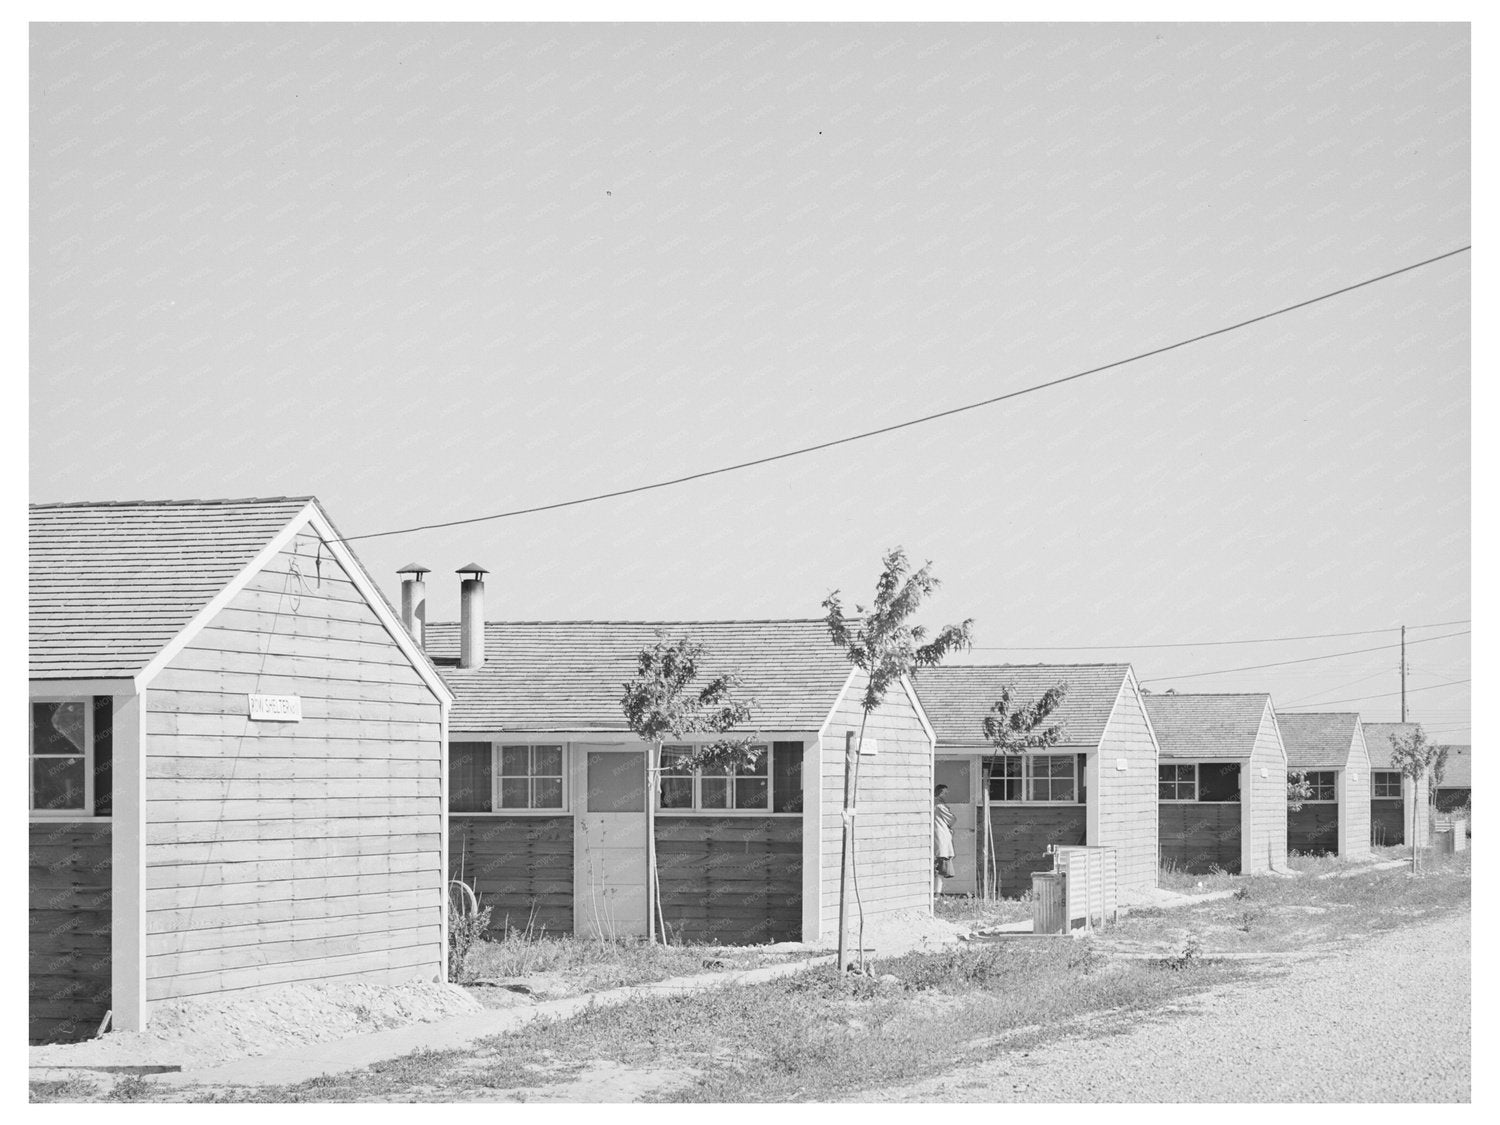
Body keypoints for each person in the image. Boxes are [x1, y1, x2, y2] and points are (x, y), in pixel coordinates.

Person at [933, 783, 957, 894]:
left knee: (936, 868)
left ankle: (934, 893)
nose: (947, 795)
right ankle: (936, 894)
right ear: (941, 792)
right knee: (941, 869)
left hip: (934, 840)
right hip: (940, 840)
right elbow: (952, 819)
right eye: (946, 793)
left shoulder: (931, 803)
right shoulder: (940, 805)